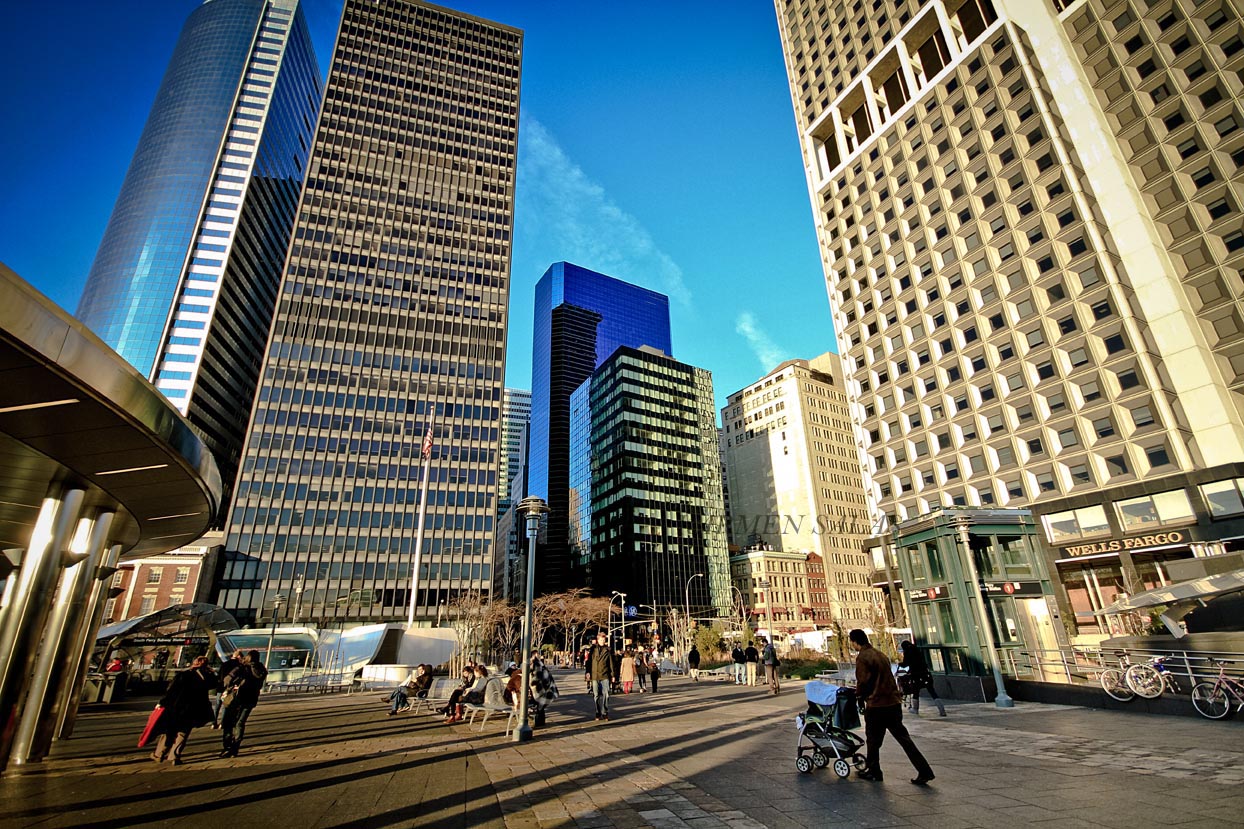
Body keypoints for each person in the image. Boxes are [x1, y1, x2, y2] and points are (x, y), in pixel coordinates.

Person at [850, 629, 935, 786]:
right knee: (904, 740)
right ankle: (925, 771)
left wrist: (859, 697)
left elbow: (863, 682)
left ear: (855, 641)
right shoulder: (880, 654)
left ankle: (874, 771)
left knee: (873, 740)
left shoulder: (863, 657)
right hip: (893, 702)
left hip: (876, 704)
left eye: (852, 642)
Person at [149, 656, 215, 764]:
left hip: (177, 707)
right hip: (193, 709)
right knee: (183, 733)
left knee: (169, 731)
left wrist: (162, 702)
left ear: (194, 662)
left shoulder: (184, 675)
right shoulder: (206, 677)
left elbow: (172, 691)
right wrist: (210, 672)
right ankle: (174, 756)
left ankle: (159, 754)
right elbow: (214, 684)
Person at [219, 650, 268, 758]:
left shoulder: (242, 667)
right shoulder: (261, 670)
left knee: (228, 723)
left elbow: (227, 679)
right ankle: (235, 748)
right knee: (240, 723)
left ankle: (227, 747)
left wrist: (230, 687)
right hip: (251, 699)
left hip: (236, 698)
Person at [899, 641, 945, 717]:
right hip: (925, 674)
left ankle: (915, 709)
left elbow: (905, 663)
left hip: (916, 675)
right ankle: (941, 709)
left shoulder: (907, 652)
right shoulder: (917, 650)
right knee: (932, 691)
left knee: (916, 691)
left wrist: (900, 664)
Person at [585, 631, 617, 720]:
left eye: (604, 640)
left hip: (605, 674)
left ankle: (605, 712)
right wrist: (587, 672)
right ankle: (597, 712)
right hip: (595, 674)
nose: (602, 641)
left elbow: (611, 663)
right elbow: (589, 662)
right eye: (601, 640)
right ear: (598, 640)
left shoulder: (608, 650)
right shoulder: (593, 649)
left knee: (606, 694)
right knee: (596, 695)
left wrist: (613, 675)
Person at [212, 649, 244, 728]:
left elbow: (219, 676)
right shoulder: (239, 666)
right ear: (239, 656)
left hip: (221, 687)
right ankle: (222, 723)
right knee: (225, 705)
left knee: (217, 705)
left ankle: (214, 722)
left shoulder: (224, 664)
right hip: (230, 688)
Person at [529, 654, 559, 726]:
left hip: (544, 689)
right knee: (540, 706)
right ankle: (540, 722)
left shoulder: (537, 665)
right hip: (546, 688)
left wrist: (528, 682)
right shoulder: (538, 664)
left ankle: (539, 722)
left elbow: (536, 679)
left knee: (540, 705)